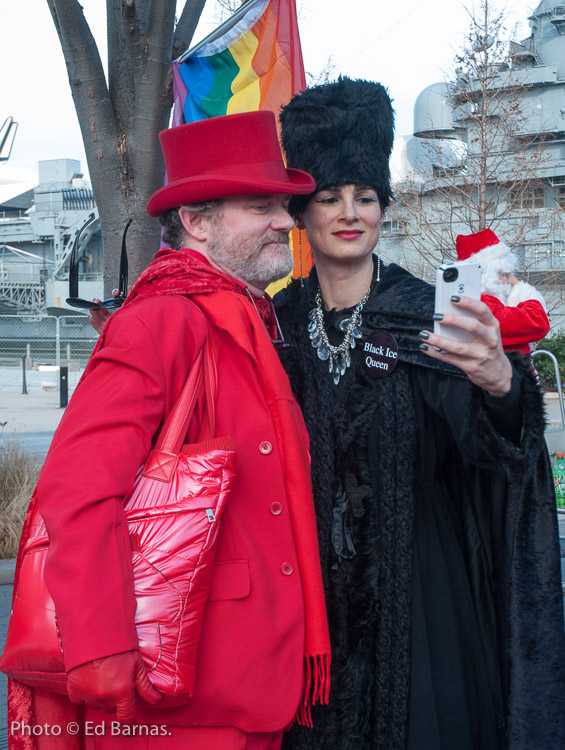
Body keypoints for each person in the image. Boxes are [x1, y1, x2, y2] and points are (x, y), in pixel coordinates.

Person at [7, 110, 331, 750]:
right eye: (261, 205)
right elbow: (77, 491)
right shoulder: (160, 324)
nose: (287, 222)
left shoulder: (246, 321)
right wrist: (101, 649)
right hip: (172, 696)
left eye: (285, 206)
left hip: (245, 686)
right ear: (197, 221)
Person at [274, 77, 565, 750]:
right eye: (328, 197)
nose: (349, 213)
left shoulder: (424, 314)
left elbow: (494, 451)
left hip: (423, 607)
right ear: (301, 213)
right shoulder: (274, 326)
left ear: (383, 207)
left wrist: (501, 386)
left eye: (366, 197)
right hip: (304, 616)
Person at [456, 227, 550, 356]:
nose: (507, 280)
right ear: (482, 275)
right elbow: (538, 323)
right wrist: (520, 288)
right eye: (501, 273)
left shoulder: (484, 300)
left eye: (508, 274)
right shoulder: (480, 304)